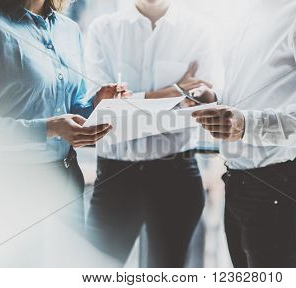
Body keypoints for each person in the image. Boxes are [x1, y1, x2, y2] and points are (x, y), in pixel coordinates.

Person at [0, 0, 128, 266]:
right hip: (13, 188)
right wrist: (49, 128)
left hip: (69, 180)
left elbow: (72, 107)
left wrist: (97, 103)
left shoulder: (69, 30)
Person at [192, 0, 296, 268]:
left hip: (279, 187)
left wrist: (246, 125)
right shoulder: (248, 10)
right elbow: (255, 90)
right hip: (236, 181)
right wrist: (214, 99)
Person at [84, 0, 222, 267]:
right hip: (115, 175)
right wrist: (175, 91)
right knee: (94, 270)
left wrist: (133, 101)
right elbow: (102, 108)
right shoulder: (103, 29)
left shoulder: (200, 30)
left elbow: (210, 98)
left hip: (176, 174)